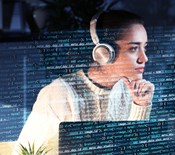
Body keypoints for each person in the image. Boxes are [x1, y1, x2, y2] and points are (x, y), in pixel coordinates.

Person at [12, 10, 155, 154]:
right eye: (133, 48)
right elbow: (23, 152)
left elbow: (132, 149)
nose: (144, 58)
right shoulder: (59, 92)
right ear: (104, 52)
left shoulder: (132, 91)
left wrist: (140, 106)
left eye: (145, 47)